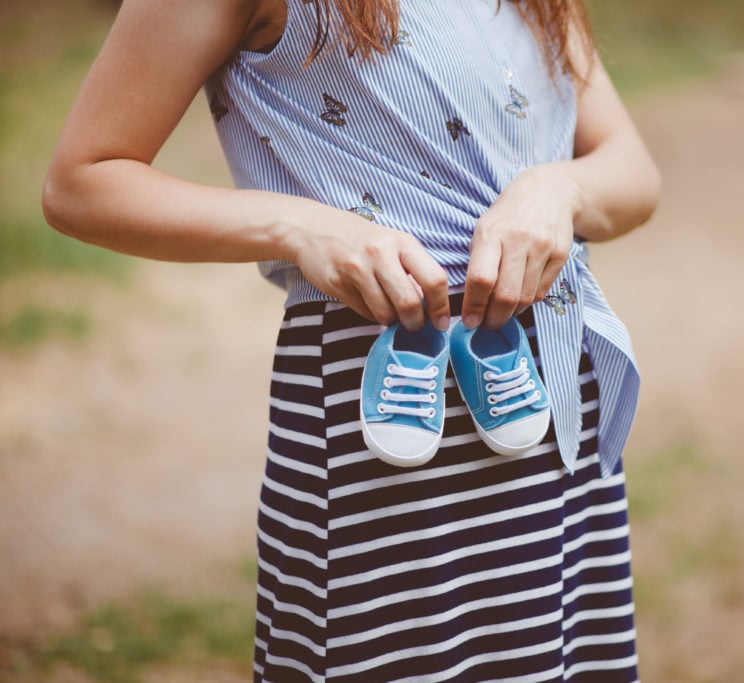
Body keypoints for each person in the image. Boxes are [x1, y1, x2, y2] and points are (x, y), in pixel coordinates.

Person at [43, 0, 660, 679]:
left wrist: (558, 190)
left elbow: (633, 170)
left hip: (555, 385)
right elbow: (82, 180)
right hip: (389, 414)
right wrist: (302, 228)